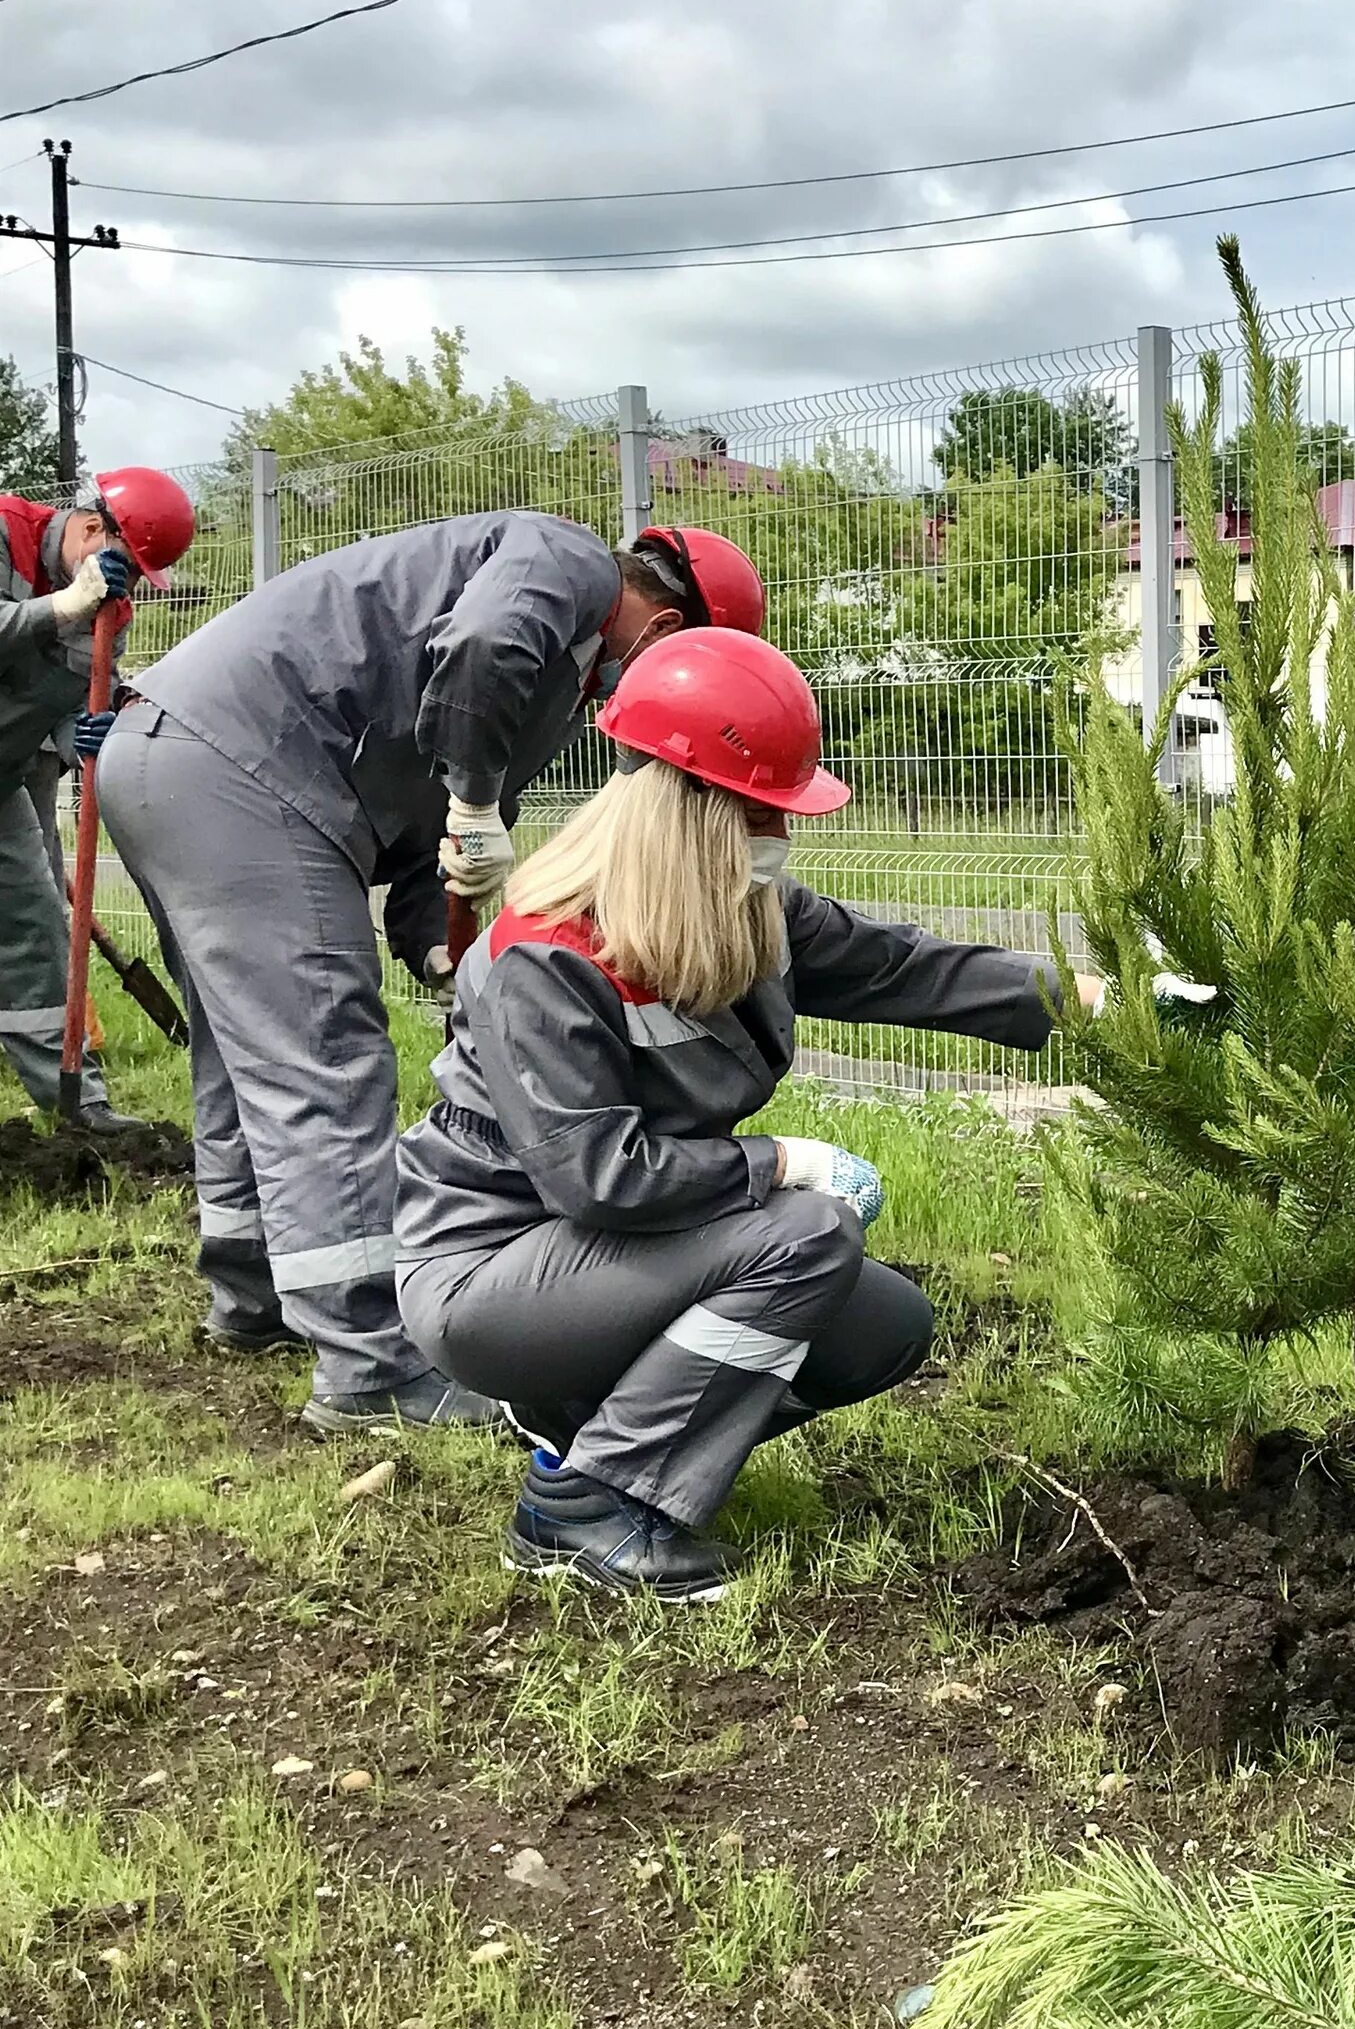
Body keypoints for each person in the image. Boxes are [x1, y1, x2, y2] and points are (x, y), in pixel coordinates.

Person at [393, 630, 1086, 1601]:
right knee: (804, 1234)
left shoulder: (737, 908)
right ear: (693, 810)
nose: (782, 837)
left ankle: (596, 1430)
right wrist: (780, 1164)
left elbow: (910, 970)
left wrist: (1103, 1001)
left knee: (883, 1326)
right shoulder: (544, 958)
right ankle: (590, 1503)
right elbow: (598, 1176)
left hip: (622, 1253)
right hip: (493, 1272)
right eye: (765, 810)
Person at [97, 515, 766, 1434]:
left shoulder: (540, 695)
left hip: (174, 757)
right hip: (243, 765)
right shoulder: (564, 562)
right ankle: (373, 1366)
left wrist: (443, 953)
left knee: (246, 1051)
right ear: (664, 626)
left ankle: (253, 1295)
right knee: (323, 1056)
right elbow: (482, 658)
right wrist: (480, 797)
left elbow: (434, 846)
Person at [0, 466, 194, 1132]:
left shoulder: (110, 614)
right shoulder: (2, 530)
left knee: (35, 934)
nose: (129, 586)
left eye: (142, 575)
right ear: (88, 528)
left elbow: (73, 701)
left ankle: (79, 1107)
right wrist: (59, 607)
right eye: (128, 564)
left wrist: (94, 729)